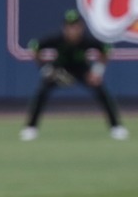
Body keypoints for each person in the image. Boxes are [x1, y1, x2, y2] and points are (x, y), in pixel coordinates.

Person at [21, 9, 128, 141]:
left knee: (102, 92)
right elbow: (34, 46)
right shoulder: (57, 39)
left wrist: (97, 71)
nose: (73, 30)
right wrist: (45, 68)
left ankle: (116, 127)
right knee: (42, 92)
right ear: (64, 28)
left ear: (81, 27)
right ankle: (31, 128)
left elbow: (106, 49)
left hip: (82, 70)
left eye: (76, 26)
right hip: (60, 71)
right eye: (69, 27)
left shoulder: (86, 41)